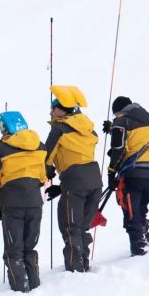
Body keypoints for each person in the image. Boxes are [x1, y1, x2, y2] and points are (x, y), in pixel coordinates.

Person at [0, 111, 47, 292]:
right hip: (35, 203)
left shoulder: (1, 148)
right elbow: (43, 177)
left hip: (12, 203)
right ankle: (34, 285)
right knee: (30, 246)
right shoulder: (40, 146)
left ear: (6, 128)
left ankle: (19, 287)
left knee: (14, 249)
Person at [44, 85, 101, 272]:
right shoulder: (89, 130)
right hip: (94, 179)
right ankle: (83, 263)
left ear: (63, 110)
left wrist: (46, 175)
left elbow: (46, 157)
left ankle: (75, 269)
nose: (51, 111)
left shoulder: (59, 129)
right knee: (82, 226)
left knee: (70, 226)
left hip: (74, 181)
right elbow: (79, 157)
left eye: (54, 108)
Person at [102, 96, 149, 256]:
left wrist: (111, 173)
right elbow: (134, 137)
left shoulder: (122, 122)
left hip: (133, 174)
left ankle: (139, 248)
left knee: (131, 213)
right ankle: (144, 240)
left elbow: (119, 150)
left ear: (119, 112)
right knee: (140, 210)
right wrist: (113, 127)